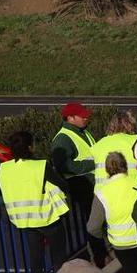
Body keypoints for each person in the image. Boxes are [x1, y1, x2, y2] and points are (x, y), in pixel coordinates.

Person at [0, 130, 71, 273]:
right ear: (30, 147)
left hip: (25, 221)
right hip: (48, 217)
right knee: (58, 258)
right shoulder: (41, 165)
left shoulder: (3, 168)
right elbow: (61, 184)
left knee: (35, 260)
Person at [87, 153, 137, 273]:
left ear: (106, 170)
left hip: (122, 245)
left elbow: (93, 227)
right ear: (125, 166)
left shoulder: (102, 193)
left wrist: (106, 242)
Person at [52, 101, 103, 264]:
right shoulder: (63, 138)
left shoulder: (82, 132)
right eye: (82, 116)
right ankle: (99, 255)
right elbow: (63, 165)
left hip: (92, 184)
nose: (86, 118)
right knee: (92, 222)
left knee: (96, 220)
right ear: (70, 118)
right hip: (81, 186)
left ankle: (101, 252)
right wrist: (93, 164)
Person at [87, 111, 137, 190]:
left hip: (102, 194)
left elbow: (89, 168)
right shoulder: (134, 141)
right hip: (130, 191)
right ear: (130, 125)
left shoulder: (98, 144)